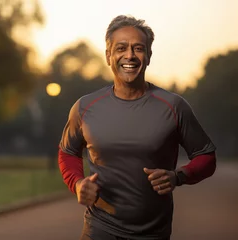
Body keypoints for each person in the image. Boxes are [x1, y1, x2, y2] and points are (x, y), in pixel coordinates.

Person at [58, 15, 217, 240]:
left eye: (138, 48)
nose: (130, 55)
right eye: (121, 48)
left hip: (154, 232)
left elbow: (206, 156)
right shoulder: (85, 107)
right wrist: (77, 183)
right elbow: (68, 151)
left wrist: (177, 177)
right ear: (108, 56)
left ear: (149, 56)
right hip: (99, 228)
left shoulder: (173, 106)